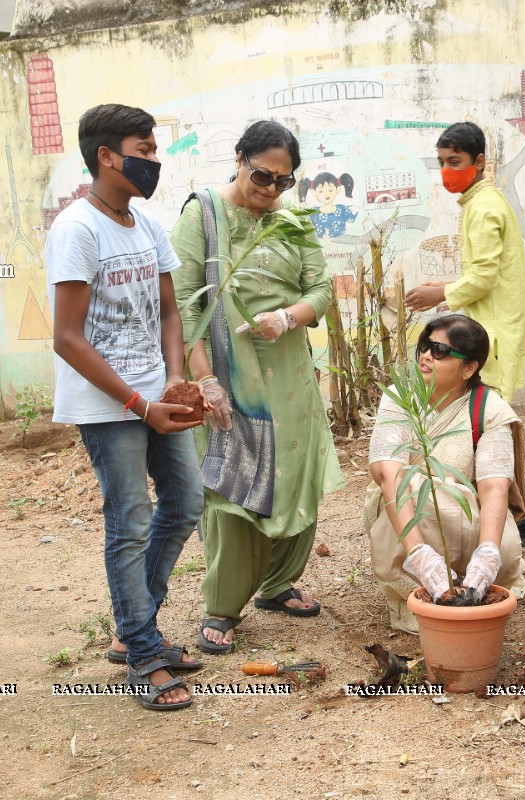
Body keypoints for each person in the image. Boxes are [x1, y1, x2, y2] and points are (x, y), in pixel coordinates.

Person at [47, 103, 206, 711]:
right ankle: (142, 652)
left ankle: (134, 627)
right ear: (107, 156)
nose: (153, 160)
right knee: (131, 520)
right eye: (143, 149)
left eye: (154, 148)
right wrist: (141, 405)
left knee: (186, 503)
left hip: (152, 393)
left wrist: (172, 379)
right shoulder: (77, 230)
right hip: (111, 405)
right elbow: (67, 337)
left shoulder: (146, 225)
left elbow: (169, 310)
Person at [171, 120, 344, 655]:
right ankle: (221, 607)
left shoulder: (291, 220)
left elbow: (321, 288)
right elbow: (183, 305)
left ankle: (276, 585)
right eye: (262, 176)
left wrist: (288, 318)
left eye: (283, 181)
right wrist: (205, 380)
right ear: (240, 158)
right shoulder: (202, 214)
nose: (270, 190)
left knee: (294, 474)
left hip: (289, 374)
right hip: (231, 380)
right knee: (237, 485)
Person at [404, 121, 525, 552]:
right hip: (494, 324)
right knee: (487, 425)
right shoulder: (479, 203)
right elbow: (483, 273)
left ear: (479, 162)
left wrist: (439, 294)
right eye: (443, 163)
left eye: (456, 162)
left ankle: (524, 524)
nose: (448, 171)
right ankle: (520, 522)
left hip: (495, 332)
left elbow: (482, 277)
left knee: (490, 426)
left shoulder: (484, 208)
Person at [365, 315, 525, 634]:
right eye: (425, 346)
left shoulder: (489, 409)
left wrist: (488, 552)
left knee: (505, 547)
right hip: (407, 506)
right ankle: (416, 591)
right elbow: (388, 473)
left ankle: (472, 583)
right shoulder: (400, 399)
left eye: (440, 350)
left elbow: (495, 486)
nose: (426, 355)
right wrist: (418, 554)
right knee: (412, 484)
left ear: (469, 368)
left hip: (468, 511)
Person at [297, 171, 357, 239]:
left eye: (330, 190)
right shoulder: (313, 213)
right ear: (314, 192)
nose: (326, 194)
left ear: (338, 189)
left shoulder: (342, 210)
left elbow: (356, 217)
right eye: (321, 191)